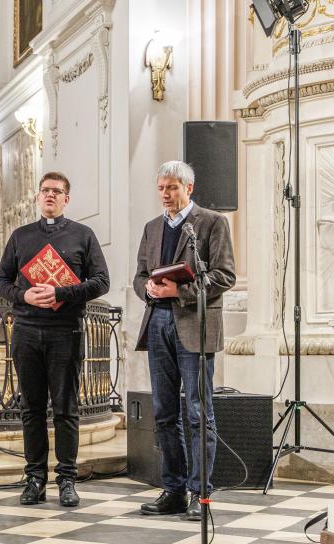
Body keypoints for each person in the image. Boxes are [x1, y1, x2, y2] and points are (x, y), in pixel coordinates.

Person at [0, 171, 109, 508]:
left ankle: (68, 480)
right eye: (44, 191)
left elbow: (101, 282)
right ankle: (34, 478)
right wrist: (24, 296)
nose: (49, 196)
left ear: (66, 198)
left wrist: (61, 291)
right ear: (37, 197)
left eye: (56, 192)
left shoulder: (82, 235)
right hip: (27, 330)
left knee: (65, 408)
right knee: (31, 409)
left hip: (65, 331)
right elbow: (1, 280)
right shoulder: (21, 236)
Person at [134, 161, 235, 521]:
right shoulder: (151, 228)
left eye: (172, 187)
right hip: (158, 321)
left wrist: (182, 290)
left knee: (197, 412)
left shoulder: (210, 223)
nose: (165, 194)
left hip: (194, 324)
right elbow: (140, 275)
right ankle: (173, 490)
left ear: (188, 188)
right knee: (164, 413)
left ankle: (200, 494)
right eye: (161, 187)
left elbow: (225, 275)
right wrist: (146, 288)